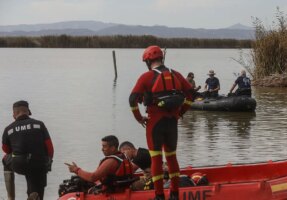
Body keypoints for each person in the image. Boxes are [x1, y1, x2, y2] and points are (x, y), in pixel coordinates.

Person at [129, 45, 193, 200]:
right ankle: (175, 194)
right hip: (172, 122)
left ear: (148, 60)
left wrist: (139, 118)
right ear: (161, 58)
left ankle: (159, 195)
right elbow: (190, 93)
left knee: (156, 158)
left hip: (154, 123)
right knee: (171, 157)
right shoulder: (176, 74)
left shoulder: (146, 77)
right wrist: (181, 112)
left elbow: (132, 100)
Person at [2, 100, 54, 200]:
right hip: (38, 164)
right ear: (28, 112)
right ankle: (34, 194)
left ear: (14, 114)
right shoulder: (39, 125)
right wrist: (48, 161)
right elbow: (50, 148)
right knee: (36, 179)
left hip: (18, 163)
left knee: (6, 159)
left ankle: (10, 197)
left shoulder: (8, 129)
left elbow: (6, 150)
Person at [65, 135, 134, 193]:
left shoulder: (111, 161)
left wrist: (76, 170)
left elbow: (93, 177)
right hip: (120, 188)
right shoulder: (123, 157)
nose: (102, 149)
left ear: (113, 148)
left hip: (110, 192)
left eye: (104, 146)